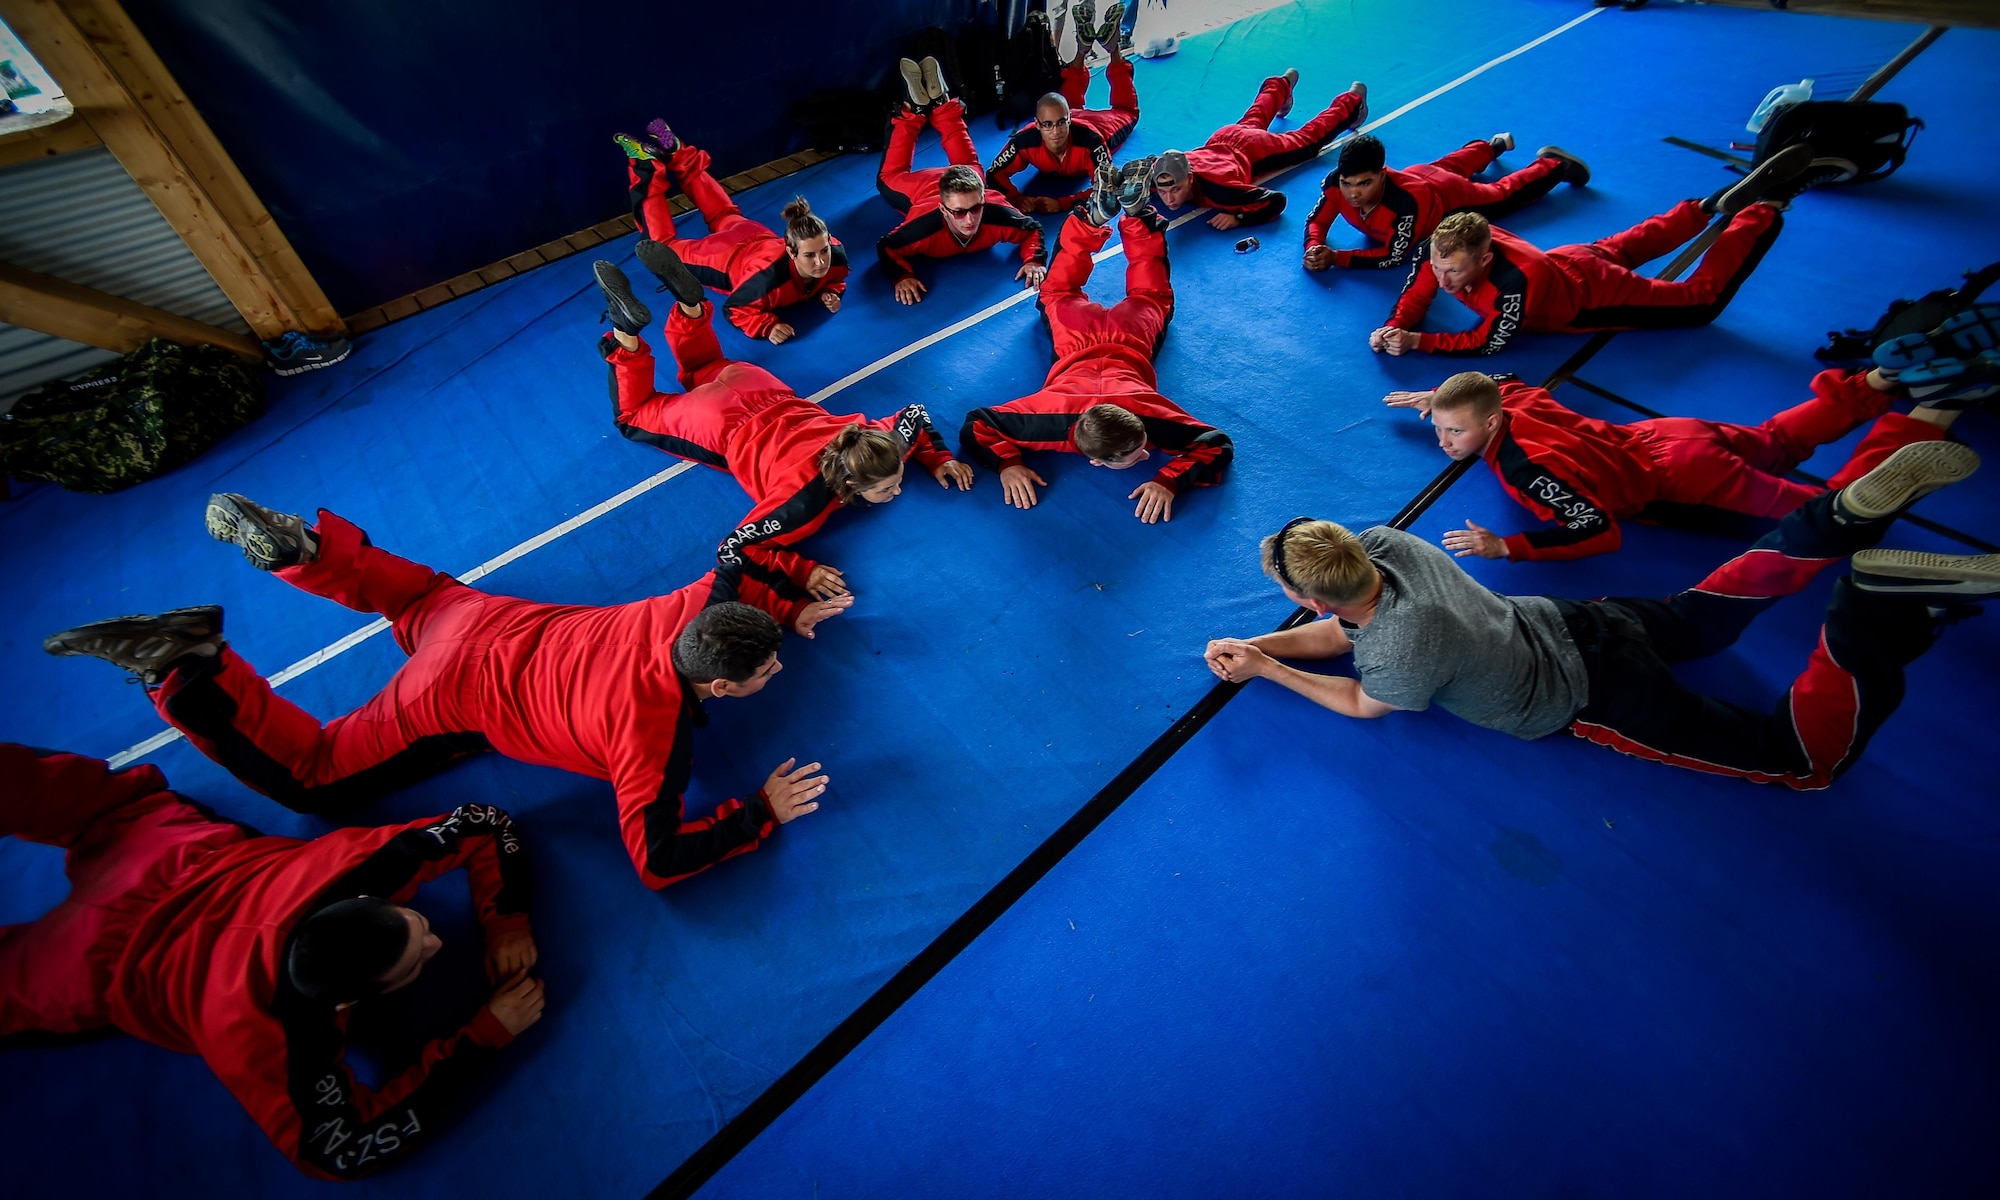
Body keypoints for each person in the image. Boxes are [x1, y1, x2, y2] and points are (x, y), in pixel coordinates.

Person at [42, 495, 849, 892]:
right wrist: (758, 815)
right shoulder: (649, 736)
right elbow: (659, 860)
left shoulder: (691, 612)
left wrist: (799, 591)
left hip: (480, 618)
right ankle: (186, 667)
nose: (774, 675)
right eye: (763, 673)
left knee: (426, 596)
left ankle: (305, 551)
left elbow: (741, 561)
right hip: (452, 693)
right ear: (714, 684)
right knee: (314, 778)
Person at [1203, 439, 1997, 791]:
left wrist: (1269, 669)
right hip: (1582, 619)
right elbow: (1340, 626)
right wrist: (1260, 641)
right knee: (1705, 611)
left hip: (1593, 694)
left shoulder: (1401, 654)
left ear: (1312, 594)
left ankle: (1876, 608)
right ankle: (1841, 520)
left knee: (1795, 760)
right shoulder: (1386, 544)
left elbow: (1359, 699)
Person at [1, 744, 541, 1179]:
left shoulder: (356, 867)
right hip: (109, 963)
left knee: (78, 796)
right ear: (348, 1002)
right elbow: (341, 1150)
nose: (436, 943)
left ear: (366, 899)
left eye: (416, 928)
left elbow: (481, 821)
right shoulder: (261, 1033)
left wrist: (507, 918)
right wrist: (484, 1034)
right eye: (419, 955)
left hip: (163, 854)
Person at [594, 250, 974, 592]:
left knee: (705, 368)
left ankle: (692, 308)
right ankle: (625, 332)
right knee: (632, 417)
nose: (897, 491)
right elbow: (734, 547)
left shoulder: (883, 441)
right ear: (850, 483)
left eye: (895, 481)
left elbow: (915, 415)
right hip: (720, 424)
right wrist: (800, 571)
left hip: (756, 384)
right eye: (886, 489)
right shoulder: (801, 504)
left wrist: (939, 457)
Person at [1386, 363, 1974, 560]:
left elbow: (1600, 532)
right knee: (1775, 441)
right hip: (1671, 434)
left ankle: (1929, 413)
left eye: (1453, 430)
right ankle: (1876, 380)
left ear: (1489, 425)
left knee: (1833, 520)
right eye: (1439, 428)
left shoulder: (1525, 471)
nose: (1443, 441)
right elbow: (1505, 378)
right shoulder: (1510, 400)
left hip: (1677, 478)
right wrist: (1437, 397)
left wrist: (1508, 548)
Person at [959, 166, 1232, 524]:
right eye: (1139, 453)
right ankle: (1092, 218)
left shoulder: (1147, 417)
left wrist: (1008, 463)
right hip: (1081, 338)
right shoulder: (1048, 420)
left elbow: (1217, 444)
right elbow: (1216, 444)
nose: (1148, 456)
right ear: (1094, 459)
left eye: (1138, 452)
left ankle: (1132, 215)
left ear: (1093, 460)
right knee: (1057, 292)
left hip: (1128, 338)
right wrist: (1005, 463)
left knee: (1152, 296)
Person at [1370, 147, 1819, 357]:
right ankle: (1705, 206)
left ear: (1485, 260)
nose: (1443, 281)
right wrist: (1395, 324)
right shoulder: (1443, 248)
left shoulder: (1513, 286)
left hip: (1591, 296)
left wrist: (1418, 342)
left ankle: (1763, 209)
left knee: (1699, 302)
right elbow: (1419, 292)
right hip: (1570, 260)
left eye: (1454, 273)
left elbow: (1488, 342)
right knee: (1634, 242)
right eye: (1440, 269)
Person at [616, 121, 846, 345]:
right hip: (724, 256)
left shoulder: (835, 255)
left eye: (823, 251)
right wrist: (768, 325)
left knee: (723, 213)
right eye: (809, 256)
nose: (820, 261)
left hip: (751, 234)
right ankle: (645, 164)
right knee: (660, 248)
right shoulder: (764, 282)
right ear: (792, 252)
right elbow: (735, 310)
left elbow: (835, 278)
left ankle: (678, 151)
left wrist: (829, 290)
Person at [878, 56, 1048, 305]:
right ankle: (918, 111)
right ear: (943, 210)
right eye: (958, 212)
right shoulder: (923, 227)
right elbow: (887, 247)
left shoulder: (996, 213)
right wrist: (901, 275)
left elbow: (1032, 228)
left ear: (982, 200)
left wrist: (1034, 260)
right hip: (923, 188)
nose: (969, 220)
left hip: (968, 177)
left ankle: (938, 104)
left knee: (972, 168)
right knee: (888, 179)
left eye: (975, 208)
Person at [1302, 132, 1588, 272]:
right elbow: (1318, 220)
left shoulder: (1405, 205)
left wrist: (1336, 258)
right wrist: (1315, 245)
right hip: (1421, 175)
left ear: (1382, 174)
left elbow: (1394, 255)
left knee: (1503, 196)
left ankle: (1552, 164)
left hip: (1446, 198)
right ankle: (1492, 146)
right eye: (1347, 183)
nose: (1353, 194)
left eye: (1364, 183)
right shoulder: (1333, 183)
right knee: (1448, 164)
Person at [1148, 70, 1369, 230]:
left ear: (1189, 178)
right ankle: (1281, 83)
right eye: (1164, 191)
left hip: (1254, 150)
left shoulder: (1221, 190)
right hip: (1223, 136)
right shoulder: (1155, 178)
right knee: (1254, 116)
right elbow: (1139, 170)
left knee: (1306, 142)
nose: (1169, 199)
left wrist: (1239, 218)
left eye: (1175, 189)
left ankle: (1352, 102)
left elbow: (1275, 201)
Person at [985, 8, 1139, 215]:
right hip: (1069, 112)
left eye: (1060, 123)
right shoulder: (1023, 142)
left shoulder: (1092, 142)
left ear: (1068, 122)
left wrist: (1064, 203)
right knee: (1067, 104)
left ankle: (1113, 49)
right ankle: (1082, 50)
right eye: (1047, 125)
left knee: (1128, 112)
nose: (1055, 131)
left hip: (1098, 126)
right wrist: (1016, 197)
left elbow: (1109, 186)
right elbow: (994, 174)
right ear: (1037, 125)